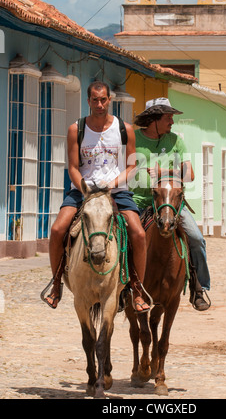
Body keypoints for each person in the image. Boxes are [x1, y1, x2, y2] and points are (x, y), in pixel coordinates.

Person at [43, 81, 150, 313]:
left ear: (109, 100)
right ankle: (56, 283)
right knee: (58, 230)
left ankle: (138, 289)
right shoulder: (77, 129)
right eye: (94, 100)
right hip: (84, 191)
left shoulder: (125, 129)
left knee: (139, 234)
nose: (99, 104)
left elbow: (131, 167)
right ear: (88, 101)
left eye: (103, 100)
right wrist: (84, 189)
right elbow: (72, 167)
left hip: (116, 191)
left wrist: (112, 184)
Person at [130, 97, 211, 311]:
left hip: (171, 204)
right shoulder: (133, 139)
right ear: (154, 119)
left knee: (196, 238)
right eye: (168, 118)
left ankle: (198, 287)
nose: (172, 122)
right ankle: (123, 289)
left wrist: (163, 172)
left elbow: (190, 174)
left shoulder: (176, 141)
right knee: (122, 240)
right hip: (138, 202)